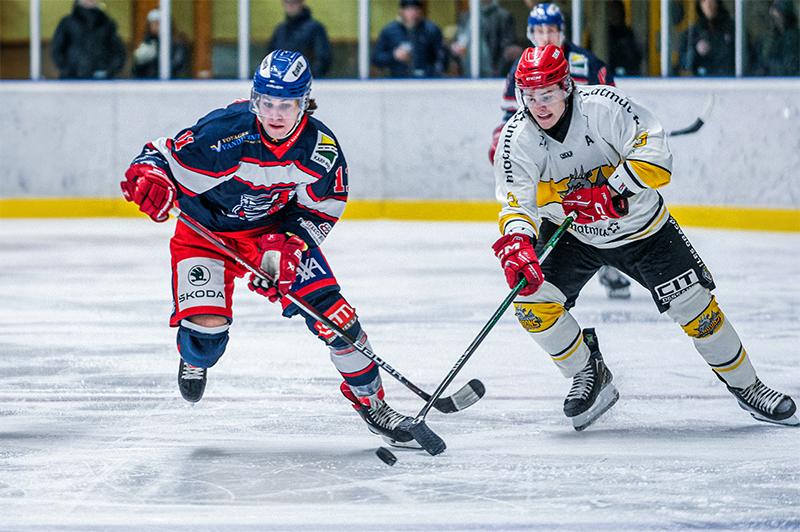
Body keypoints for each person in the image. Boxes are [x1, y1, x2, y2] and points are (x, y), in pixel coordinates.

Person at [119, 50, 420, 449]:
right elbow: (160, 156)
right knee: (207, 336)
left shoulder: (320, 149)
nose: (275, 114)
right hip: (204, 232)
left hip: (272, 235)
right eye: (267, 103)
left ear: (304, 103)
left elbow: (322, 209)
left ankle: (373, 404)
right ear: (254, 99)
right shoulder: (225, 131)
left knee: (338, 320)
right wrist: (150, 177)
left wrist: (288, 246)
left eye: (286, 104)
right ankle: (194, 358)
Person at [491, 44, 798, 431]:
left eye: (547, 94)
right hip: (573, 235)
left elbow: (655, 154)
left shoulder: (604, 106)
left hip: (643, 231)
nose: (539, 105)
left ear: (566, 86)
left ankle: (748, 387)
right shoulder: (516, 137)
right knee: (531, 303)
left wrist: (610, 191)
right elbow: (516, 202)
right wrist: (518, 242)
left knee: (697, 310)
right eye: (531, 96)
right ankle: (588, 371)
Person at [490, 2, 630, 300]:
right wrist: (500, 138)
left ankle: (611, 262)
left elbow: (611, 106)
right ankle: (556, 268)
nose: (545, 36)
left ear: (561, 31)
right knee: (553, 209)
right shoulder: (521, 67)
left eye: (551, 30)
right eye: (539, 30)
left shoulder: (585, 62)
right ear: (531, 33)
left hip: (591, 154)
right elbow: (511, 114)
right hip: (548, 157)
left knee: (600, 204)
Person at [50, 0, 126, 79]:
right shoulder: (67, 23)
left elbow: (119, 51)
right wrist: (67, 70)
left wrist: (109, 71)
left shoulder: (108, 24)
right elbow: (57, 49)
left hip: (102, 80)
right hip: (72, 79)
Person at [372, 0, 445, 78]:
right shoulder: (389, 30)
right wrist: (394, 55)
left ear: (420, 11)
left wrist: (432, 72)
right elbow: (376, 59)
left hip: (426, 79)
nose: (413, 13)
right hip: (398, 79)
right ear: (401, 11)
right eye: (409, 9)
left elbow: (442, 58)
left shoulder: (431, 29)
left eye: (416, 9)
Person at [449, 0, 521, 78]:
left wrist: (498, 69)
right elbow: (457, 42)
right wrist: (455, 48)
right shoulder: (466, 16)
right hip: (467, 71)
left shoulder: (504, 16)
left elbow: (508, 47)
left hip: (494, 73)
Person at [268, 0, 332, 78]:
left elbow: (323, 58)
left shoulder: (315, 29)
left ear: (301, 3)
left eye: (294, 2)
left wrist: (308, 77)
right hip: (280, 80)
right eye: (287, 2)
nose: (290, 5)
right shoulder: (280, 30)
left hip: (307, 81)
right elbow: (270, 57)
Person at [679, 0, 735, 76]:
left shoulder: (732, 29)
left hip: (729, 80)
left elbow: (746, 59)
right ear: (700, 4)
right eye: (704, 1)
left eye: (712, 0)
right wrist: (695, 51)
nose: (708, 4)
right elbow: (684, 64)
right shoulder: (692, 33)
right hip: (702, 81)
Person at [132, 9, 190, 79]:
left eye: (157, 23)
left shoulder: (177, 42)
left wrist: (156, 57)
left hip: (173, 82)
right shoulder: (148, 42)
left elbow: (177, 66)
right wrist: (139, 61)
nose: (154, 26)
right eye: (151, 24)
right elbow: (137, 72)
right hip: (149, 82)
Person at [751, 0, 800, 76]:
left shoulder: (792, 38)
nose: (772, 13)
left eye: (776, 10)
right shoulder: (770, 38)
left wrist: (766, 67)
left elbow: (789, 68)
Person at [606, 0, 642, 76]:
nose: (614, 14)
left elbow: (636, 56)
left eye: (616, 11)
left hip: (627, 74)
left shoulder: (628, 33)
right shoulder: (603, 35)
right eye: (611, 12)